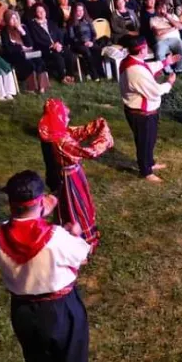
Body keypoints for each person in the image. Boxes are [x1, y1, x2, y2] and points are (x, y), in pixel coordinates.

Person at [0, 170, 104, 362]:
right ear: (40, 202)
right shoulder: (56, 238)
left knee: (38, 361)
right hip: (60, 307)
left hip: (23, 310)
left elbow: (21, 229)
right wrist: (73, 233)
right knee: (72, 360)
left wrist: (40, 214)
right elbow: (83, 253)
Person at [37, 99, 114, 250]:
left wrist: (97, 125)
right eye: (65, 116)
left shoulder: (51, 130)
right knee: (75, 208)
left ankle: (68, 236)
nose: (68, 119)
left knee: (67, 207)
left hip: (65, 176)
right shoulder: (61, 141)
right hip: (69, 179)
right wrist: (105, 140)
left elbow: (78, 132)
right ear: (57, 117)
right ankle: (79, 242)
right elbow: (88, 152)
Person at [118, 35, 179, 183]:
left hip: (144, 112)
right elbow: (155, 90)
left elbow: (148, 67)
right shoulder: (135, 71)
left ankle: (149, 162)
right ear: (141, 50)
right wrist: (169, 83)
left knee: (149, 140)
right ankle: (146, 171)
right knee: (144, 141)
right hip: (141, 113)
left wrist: (166, 62)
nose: (147, 49)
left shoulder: (132, 61)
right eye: (145, 47)